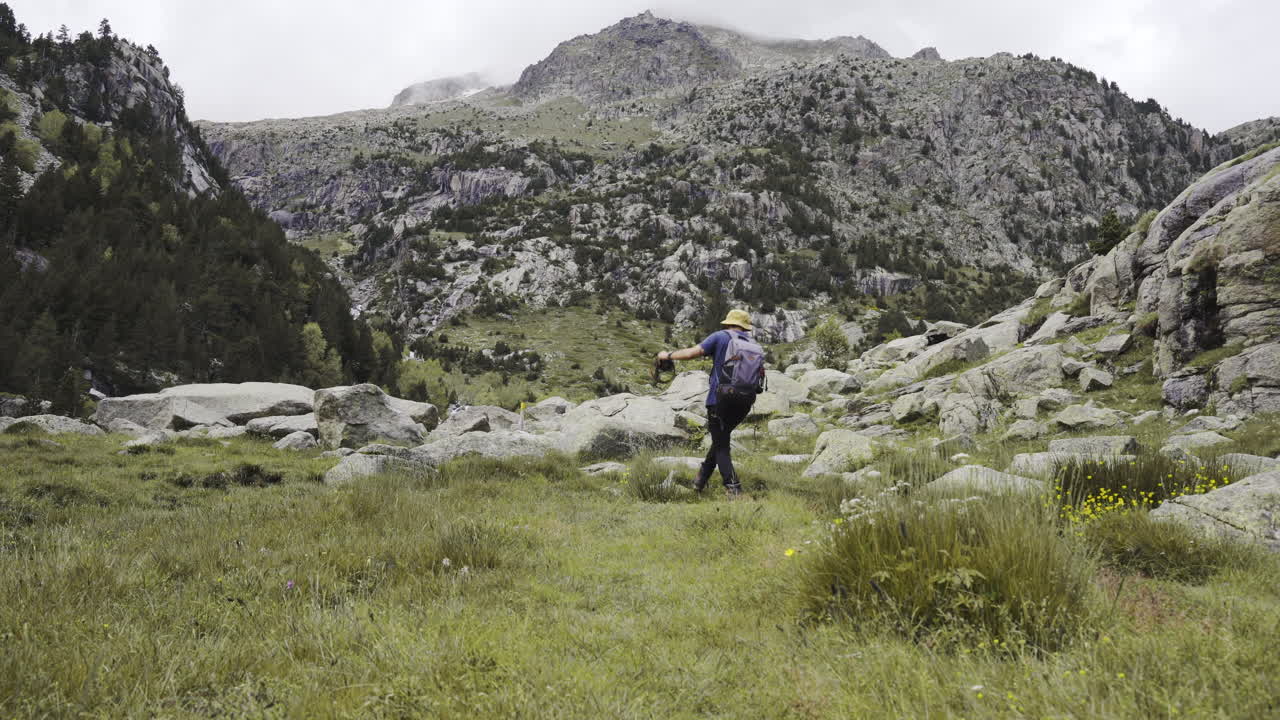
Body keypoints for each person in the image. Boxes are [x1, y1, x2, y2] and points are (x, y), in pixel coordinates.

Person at [657, 309, 763, 497]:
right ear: (745, 327)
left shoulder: (720, 337)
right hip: (745, 401)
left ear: (728, 323)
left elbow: (692, 353)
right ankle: (700, 480)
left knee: (721, 445)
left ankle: (733, 489)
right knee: (720, 440)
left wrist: (668, 355)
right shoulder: (753, 345)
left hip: (720, 399)